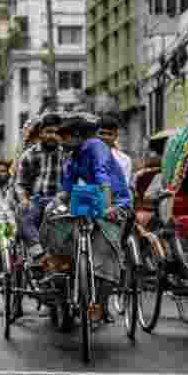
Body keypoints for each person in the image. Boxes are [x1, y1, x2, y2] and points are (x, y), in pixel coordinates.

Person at [45, 113, 132, 322]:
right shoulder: (72, 156)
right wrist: (56, 203)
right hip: (89, 196)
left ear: (75, 136)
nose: (60, 141)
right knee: (56, 219)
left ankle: (100, 304)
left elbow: (103, 176)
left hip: (114, 198)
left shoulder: (96, 146)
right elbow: (67, 188)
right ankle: (62, 262)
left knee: (107, 251)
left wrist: (109, 207)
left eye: (63, 137)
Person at [16, 113, 64, 264]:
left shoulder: (67, 154)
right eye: (48, 132)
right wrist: (24, 200)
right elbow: (20, 183)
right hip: (37, 201)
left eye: (56, 132)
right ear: (41, 133)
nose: (52, 136)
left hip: (60, 202)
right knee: (23, 213)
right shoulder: (29, 155)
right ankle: (40, 256)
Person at [97, 113, 133, 189]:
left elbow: (123, 187)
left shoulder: (124, 160)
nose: (105, 137)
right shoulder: (84, 156)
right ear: (95, 134)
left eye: (109, 134)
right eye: (102, 133)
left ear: (115, 136)